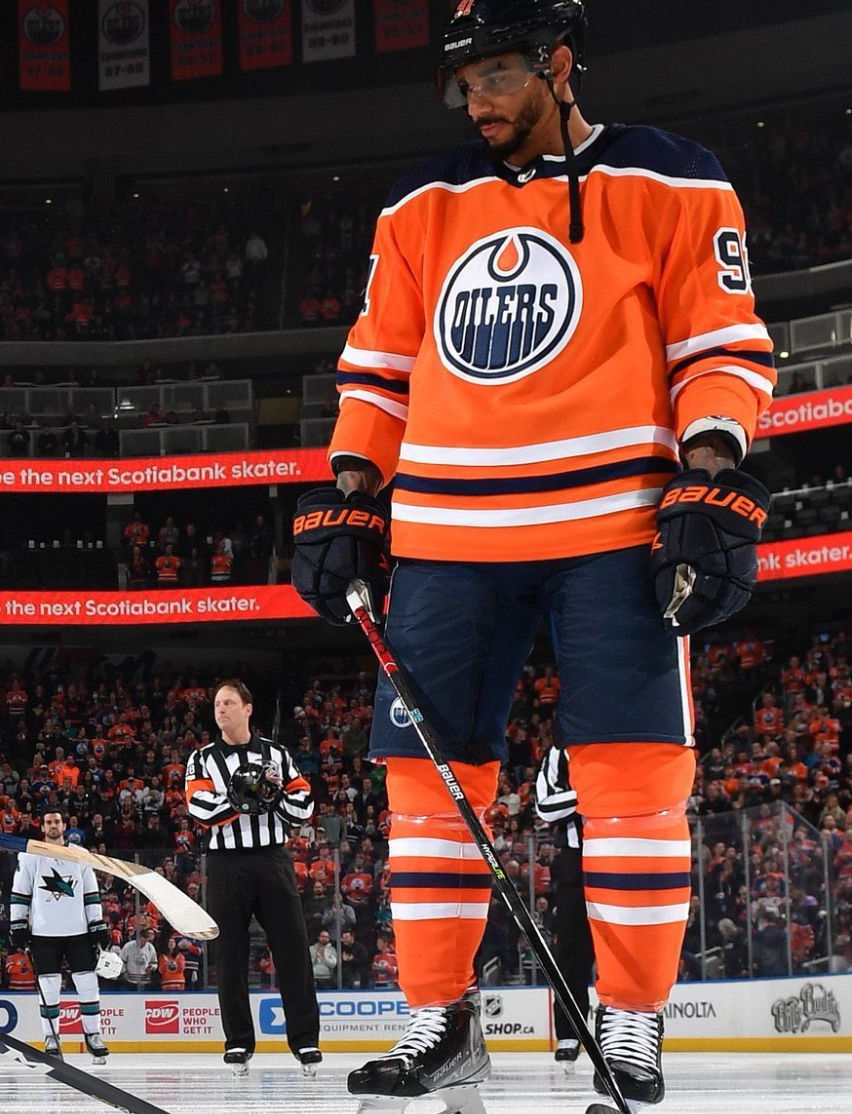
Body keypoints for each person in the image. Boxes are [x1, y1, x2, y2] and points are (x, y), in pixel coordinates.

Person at [288, 1, 775, 1108]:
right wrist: (354, 491)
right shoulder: (419, 205)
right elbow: (380, 371)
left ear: (559, 64)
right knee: (423, 786)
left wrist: (707, 471)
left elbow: (721, 344)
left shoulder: (674, 178)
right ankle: (439, 1021)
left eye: (501, 73)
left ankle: (632, 1024)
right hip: (449, 537)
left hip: (612, 526)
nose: (480, 101)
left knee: (635, 783)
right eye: (467, 81)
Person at [183, 679, 321, 1075]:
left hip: (272, 859)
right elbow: (200, 808)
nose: (220, 710)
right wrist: (249, 794)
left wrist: (266, 796)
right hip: (226, 864)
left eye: (228, 702)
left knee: (293, 949)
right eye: (216, 704)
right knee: (230, 955)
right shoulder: (201, 758)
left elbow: (302, 803)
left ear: (247, 708)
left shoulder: (277, 753)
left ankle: (305, 1040)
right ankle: (238, 1042)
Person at [8, 811, 111, 1065]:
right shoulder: (31, 854)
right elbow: (20, 892)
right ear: (42, 826)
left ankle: (93, 1035)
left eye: (57, 822)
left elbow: (91, 893)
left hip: (79, 932)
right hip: (44, 933)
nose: (53, 826)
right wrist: (18, 923)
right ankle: (51, 1039)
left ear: (65, 825)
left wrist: (97, 923)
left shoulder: (80, 854)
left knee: (88, 984)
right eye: (48, 822)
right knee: (49, 987)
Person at [535, 743, 595, 1070]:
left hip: (625, 852)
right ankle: (570, 1033)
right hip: (577, 863)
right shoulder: (561, 751)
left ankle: (625, 1030)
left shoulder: (622, 738)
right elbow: (545, 805)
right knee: (572, 952)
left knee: (629, 946)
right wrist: (593, 793)